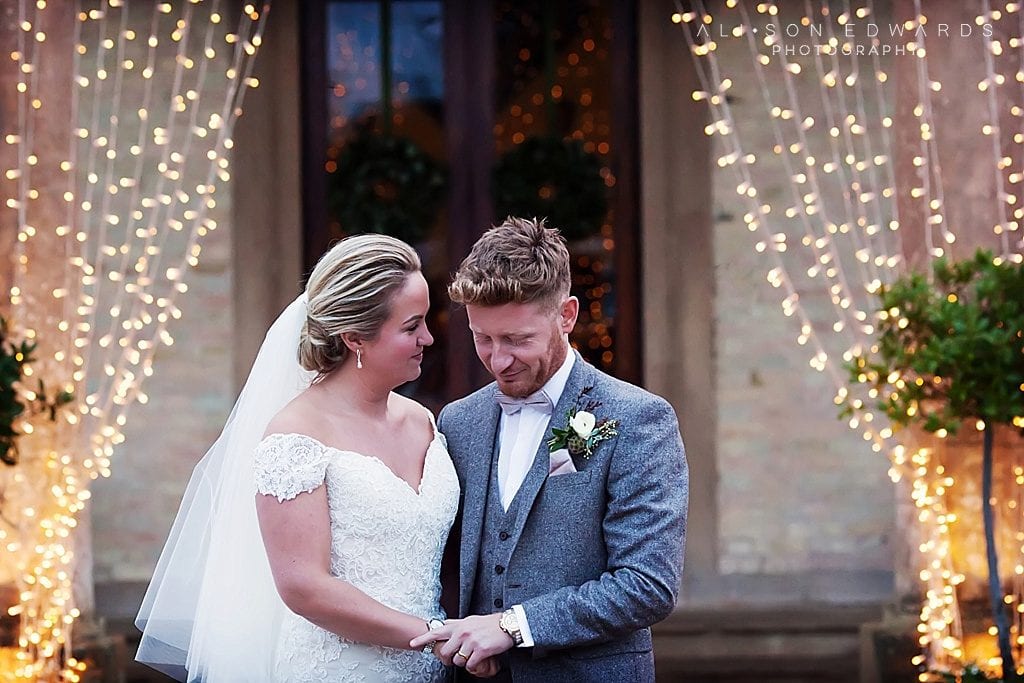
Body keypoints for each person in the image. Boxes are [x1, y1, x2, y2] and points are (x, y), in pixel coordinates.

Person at [136, 234, 499, 681]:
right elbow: (304, 587)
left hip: (431, 665)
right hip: (341, 666)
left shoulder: (424, 420)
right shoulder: (295, 437)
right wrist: (434, 634)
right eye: (411, 326)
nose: (428, 337)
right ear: (354, 338)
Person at [411, 217, 689, 681]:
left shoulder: (638, 418)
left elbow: (648, 585)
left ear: (567, 316)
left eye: (518, 340)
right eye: (484, 338)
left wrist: (512, 626)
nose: (498, 360)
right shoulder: (457, 422)